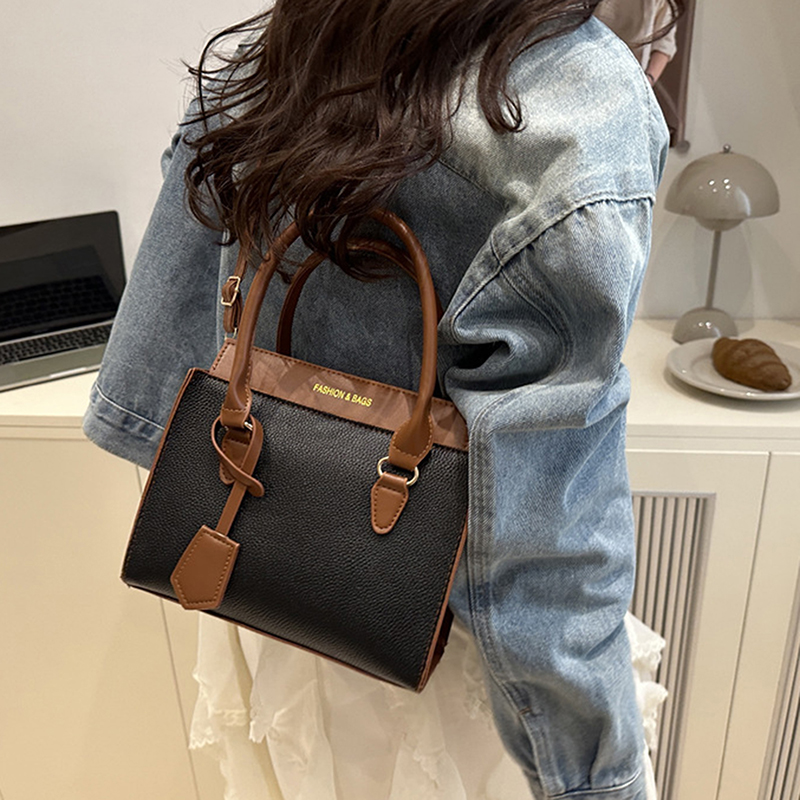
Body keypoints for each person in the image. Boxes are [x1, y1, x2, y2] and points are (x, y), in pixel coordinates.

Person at [83, 1, 682, 798]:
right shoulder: (577, 101)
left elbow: (187, 301)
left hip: (263, 566)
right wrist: (600, 777)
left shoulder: (304, 25)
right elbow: (542, 541)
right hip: (437, 630)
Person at [594, 0, 679, 85]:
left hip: (629, 79)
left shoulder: (662, 3)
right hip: (592, 65)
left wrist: (648, 80)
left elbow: (664, 45)